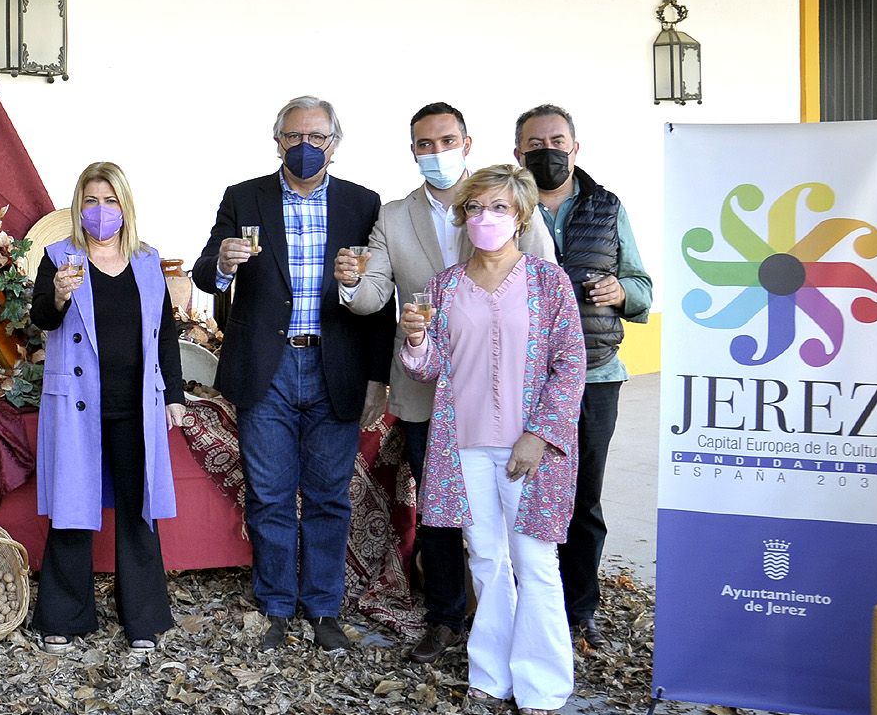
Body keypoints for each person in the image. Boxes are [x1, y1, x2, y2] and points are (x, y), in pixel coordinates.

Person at [336, 102, 554, 664]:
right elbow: (374, 295)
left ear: (467, 141)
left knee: (511, 521)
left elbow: (548, 295)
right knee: (440, 511)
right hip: (424, 388)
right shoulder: (393, 216)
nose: (437, 152)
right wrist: (352, 284)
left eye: (447, 140)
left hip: (507, 395)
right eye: (425, 145)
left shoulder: (502, 204)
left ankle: (517, 624)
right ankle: (445, 619)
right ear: (412, 152)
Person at [191, 96, 395, 654]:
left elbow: (383, 297)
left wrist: (379, 375)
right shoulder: (244, 196)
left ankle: (324, 606)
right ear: (277, 140)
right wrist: (224, 264)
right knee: (270, 494)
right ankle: (277, 603)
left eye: (318, 137)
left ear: (335, 143)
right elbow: (206, 274)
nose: (306, 146)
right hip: (268, 368)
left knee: (330, 496)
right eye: (293, 136)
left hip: (338, 366)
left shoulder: (362, 203)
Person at [398, 163, 585, 715]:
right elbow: (431, 369)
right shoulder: (445, 286)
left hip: (532, 448)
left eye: (499, 208)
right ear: (463, 216)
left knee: (534, 560)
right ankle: (490, 673)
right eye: (476, 208)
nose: (486, 218)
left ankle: (543, 686)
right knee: (485, 558)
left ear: (521, 216)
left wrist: (540, 434)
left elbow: (570, 363)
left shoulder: (549, 283)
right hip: (465, 446)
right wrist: (414, 338)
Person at [31, 162, 187, 655]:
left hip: (136, 403)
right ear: (80, 206)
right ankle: (64, 616)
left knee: (139, 509)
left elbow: (166, 336)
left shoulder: (147, 260)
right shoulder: (60, 257)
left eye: (110, 201)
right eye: (92, 201)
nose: (101, 211)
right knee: (72, 509)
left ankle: (143, 619)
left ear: (126, 206)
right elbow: (39, 318)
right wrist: (56, 295)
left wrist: (176, 395)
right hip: (78, 403)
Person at [513, 104, 653, 651]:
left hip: (595, 374)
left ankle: (579, 607)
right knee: (522, 493)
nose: (547, 150)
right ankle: (525, 599)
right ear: (517, 151)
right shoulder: (509, 207)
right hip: (523, 379)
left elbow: (641, 284)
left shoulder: (606, 207)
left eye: (557, 140)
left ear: (576, 147)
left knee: (582, 496)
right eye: (534, 142)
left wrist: (622, 293)